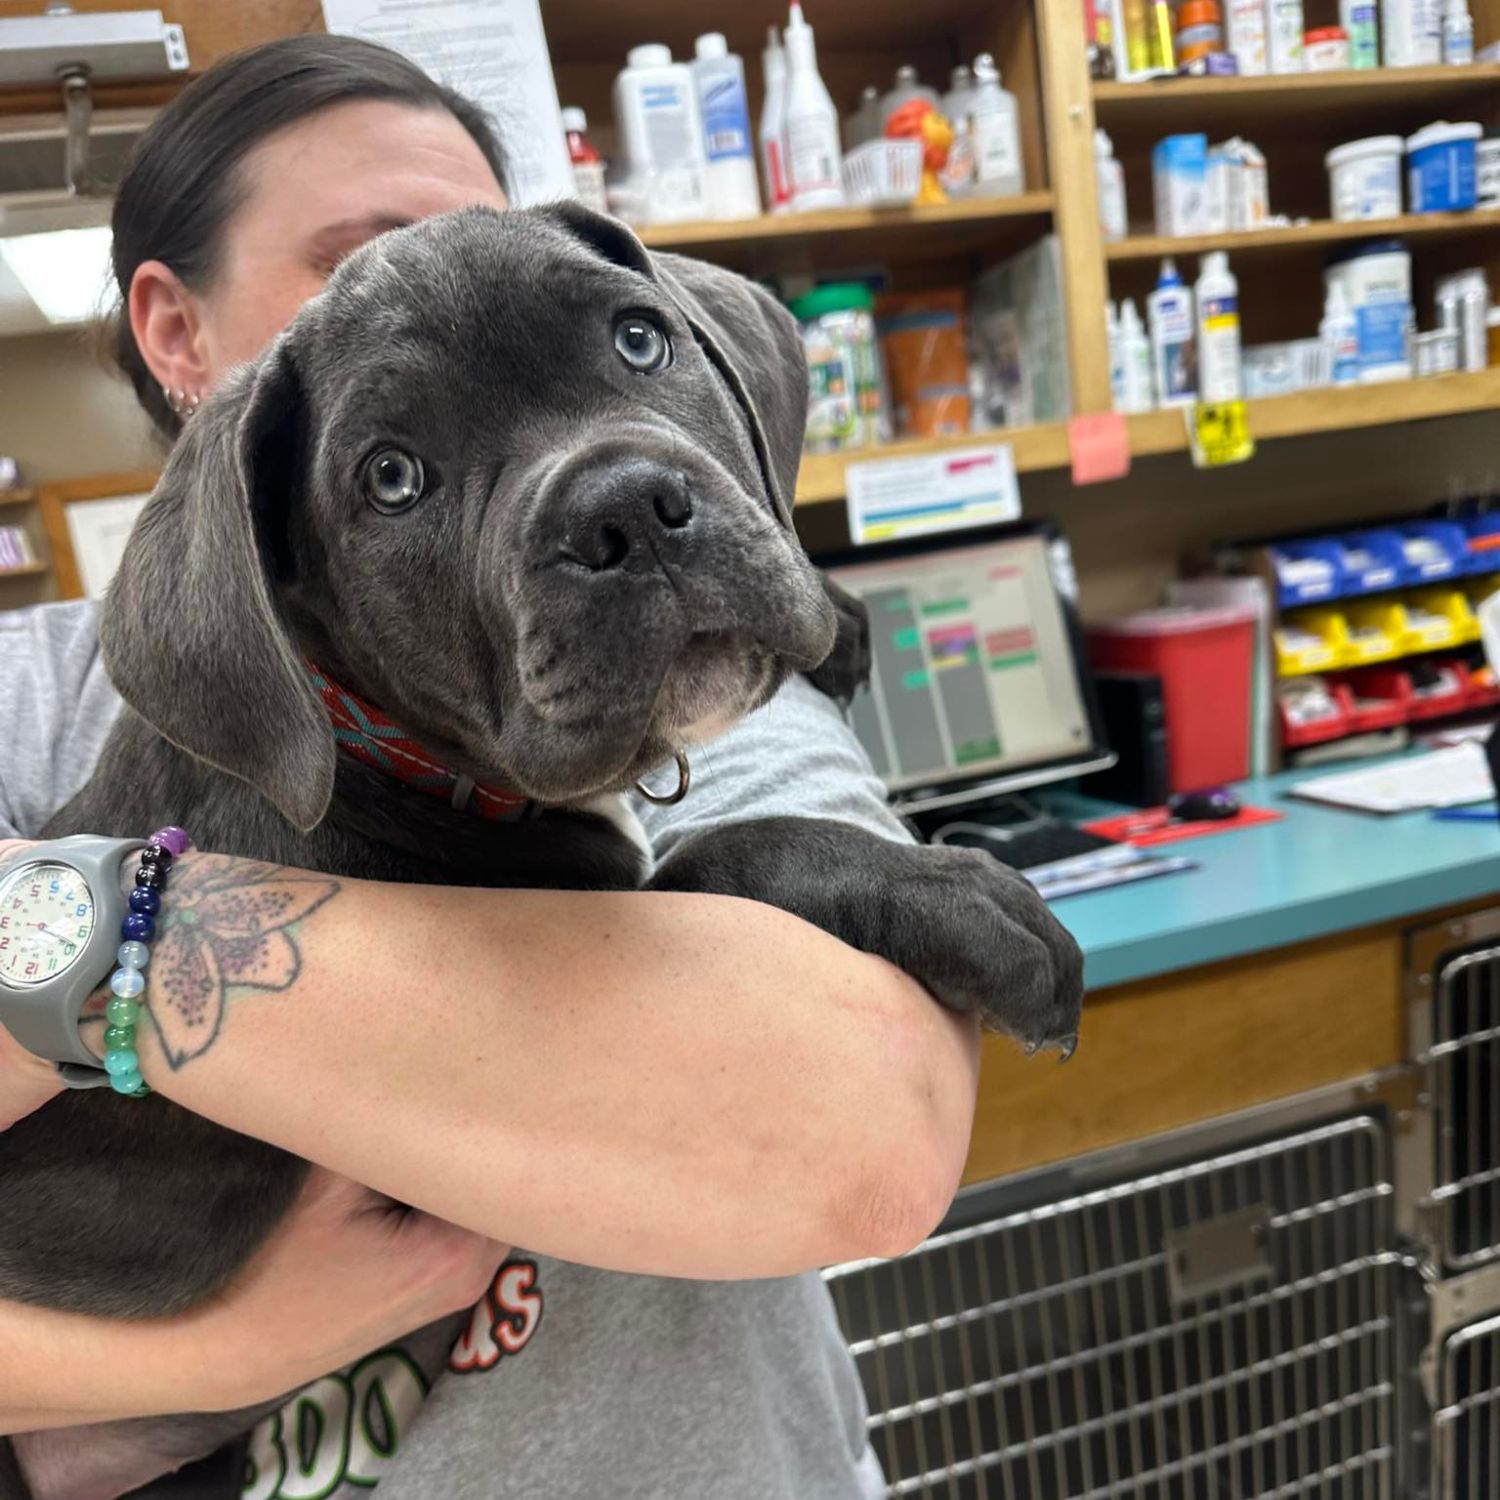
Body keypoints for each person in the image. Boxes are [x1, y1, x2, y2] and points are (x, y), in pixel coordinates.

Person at [0, 35, 981, 1500]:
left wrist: (85, 943)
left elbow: (873, 1144)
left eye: (620, 339)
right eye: (399, 471)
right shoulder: (28, 707)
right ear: (177, 331)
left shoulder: (696, 699)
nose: (609, 481)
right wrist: (211, 1358)